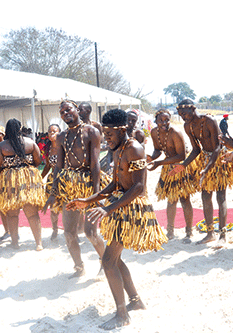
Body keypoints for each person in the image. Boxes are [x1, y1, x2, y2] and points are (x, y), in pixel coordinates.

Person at [66, 109, 168, 330]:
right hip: (120, 206)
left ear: (122, 130)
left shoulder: (135, 149)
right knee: (114, 259)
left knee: (108, 261)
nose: (107, 137)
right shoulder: (118, 148)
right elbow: (115, 184)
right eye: (105, 133)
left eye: (110, 133)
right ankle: (135, 301)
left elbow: (139, 186)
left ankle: (122, 315)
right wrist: (88, 199)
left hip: (133, 209)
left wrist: (108, 209)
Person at [43, 100, 110, 278]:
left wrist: (96, 195)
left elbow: (95, 165)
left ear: (77, 110)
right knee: (69, 234)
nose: (66, 113)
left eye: (69, 109)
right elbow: (59, 167)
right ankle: (79, 267)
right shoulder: (61, 137)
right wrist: (53, 192)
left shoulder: (92, 132)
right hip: (69, 187)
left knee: (90, 232)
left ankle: (105, 262)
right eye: (62, 111)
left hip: (89, 185)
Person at [170, 99, 233, 247]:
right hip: (205, 159)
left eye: (185, 114)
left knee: (220, 195)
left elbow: (218, 147)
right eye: (180, 115)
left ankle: (223, 235)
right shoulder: (188, 126)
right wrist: (184, 165)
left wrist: (208, 168)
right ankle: (210, 233)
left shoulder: (209, 120)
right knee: (205, 196)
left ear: (193, 109)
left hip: (219, 159)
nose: (183, 117)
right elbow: (196, 149)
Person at [0, 118, 45, 250]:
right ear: (20, 129)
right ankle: (38, 243)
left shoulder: (2, 146)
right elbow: (38, 161)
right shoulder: (30, 143)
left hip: (10, 181)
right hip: (28, 179)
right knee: (32, 213)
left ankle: (15, 243)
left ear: (6, 130)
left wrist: (8, 171)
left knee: (12, 214)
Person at [147, 110, 196, 242]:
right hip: (168, 165)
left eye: (167, 120)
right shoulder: (154, 132)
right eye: (161, 120)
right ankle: (170, 231)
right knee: (171, 199)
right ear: (156, 121)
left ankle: (189, 232)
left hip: (180, 167)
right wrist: (151, 158)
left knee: (185, 199)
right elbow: (158, 150)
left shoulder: (175, 132)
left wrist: (159, 163)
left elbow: (181, 156)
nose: (164, 123)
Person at [41, 124, 61, 240]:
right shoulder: (47, 148)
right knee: (53, 206)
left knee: (68, 205)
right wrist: (40, 177)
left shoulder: (64, 146)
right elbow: (48, 165)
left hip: (64, 179)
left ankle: (73, 230)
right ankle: (55, 230)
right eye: (49, 131)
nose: (52, 133)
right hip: (52, 180)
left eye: (54, 131)